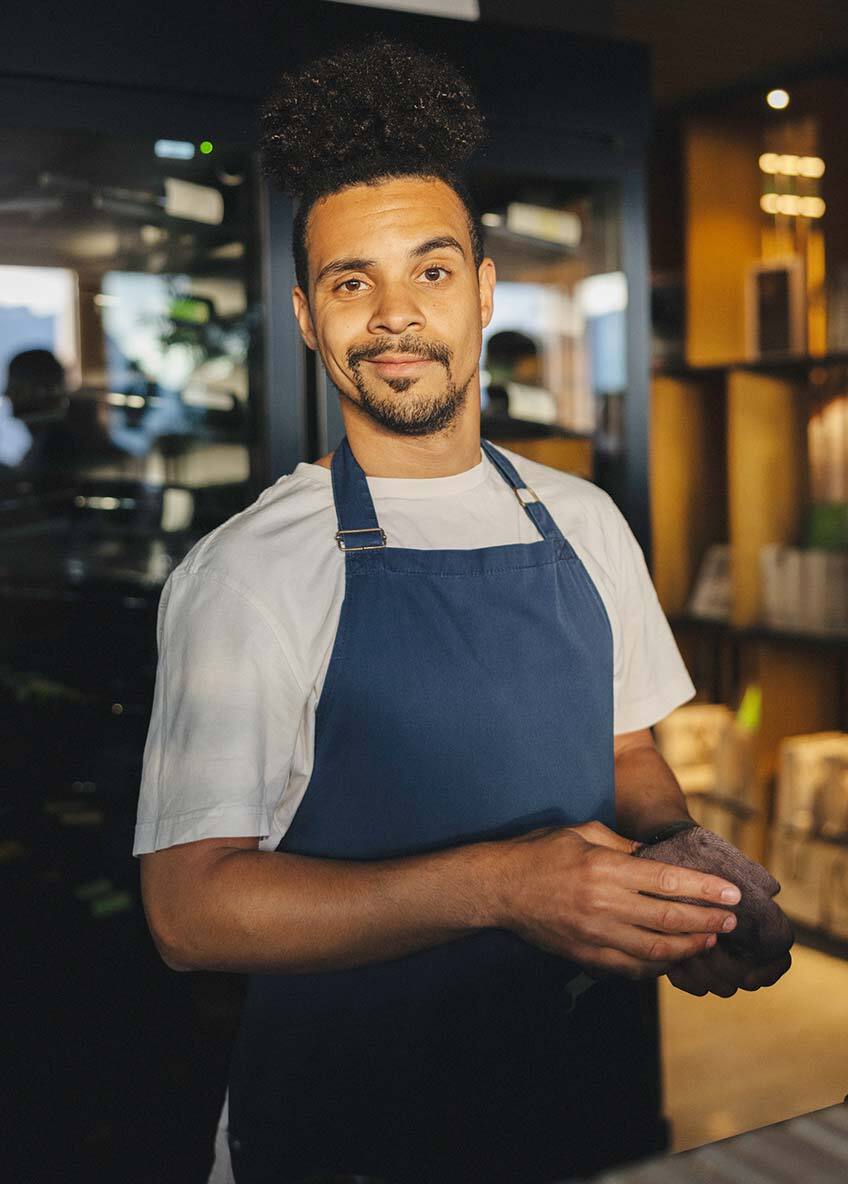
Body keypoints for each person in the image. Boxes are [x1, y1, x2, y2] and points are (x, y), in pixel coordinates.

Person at [136, 37, 791, 1184]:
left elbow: (625, 749)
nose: (395, 315)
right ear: (306, 316)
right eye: (352, 282)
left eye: (430, 272)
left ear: (483, 291)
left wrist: (678, 872)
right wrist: (501, 884)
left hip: (569, 1095)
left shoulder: (581, 518)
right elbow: (189, 913)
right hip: (343, 1125)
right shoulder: (247, 572)